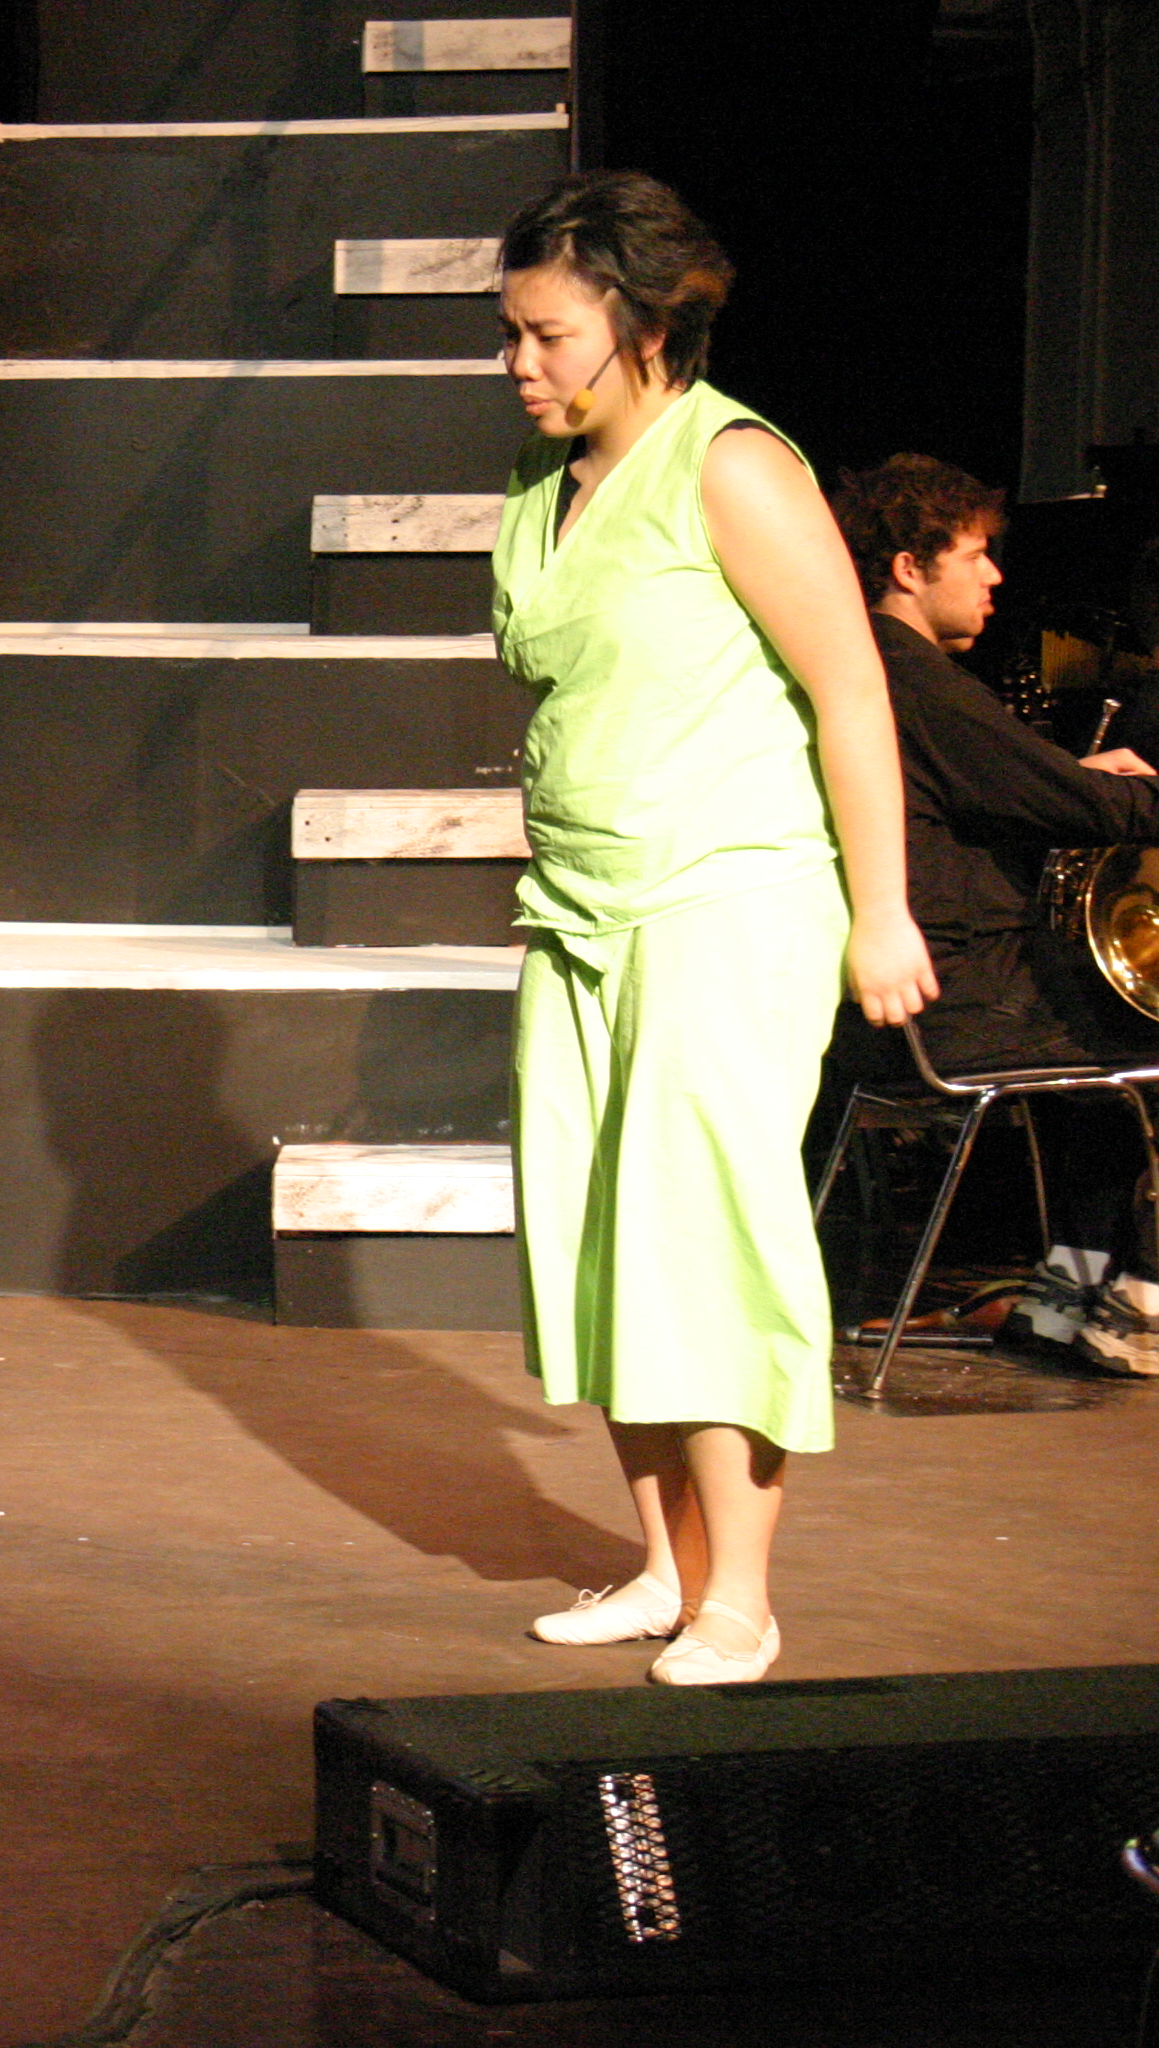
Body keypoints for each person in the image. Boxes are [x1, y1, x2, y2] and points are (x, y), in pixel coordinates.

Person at [491, 172, 934, 1685]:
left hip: (727, 892)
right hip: (579, 906)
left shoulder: (731, 464)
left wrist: (880, 908)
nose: (521, 362)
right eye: (511, 333)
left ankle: (741, 1594)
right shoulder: (544, 483)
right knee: (597, 1234)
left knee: (707, 1236)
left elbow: (851, 689)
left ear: (641, 324)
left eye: (549, 334)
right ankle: (666, 1569)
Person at [827, 453, 1159, 1373]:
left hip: (898, 1009)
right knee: (1130, 1035)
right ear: (910, 568)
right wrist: (1122, 795)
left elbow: (999, 784)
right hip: (951, 1003)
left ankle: (1065, 1300)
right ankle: (1141, 1298)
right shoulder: (912, 676)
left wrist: (1071, 779)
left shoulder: (867, 667)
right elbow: (1075, 804)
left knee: (1097, 1059)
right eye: (975, 555)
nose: (995, 577)